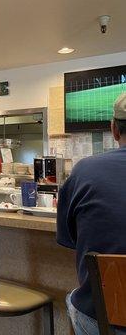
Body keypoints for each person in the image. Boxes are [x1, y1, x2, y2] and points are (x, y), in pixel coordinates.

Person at [57, 92, 126, 335]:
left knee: (74, 299)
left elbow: (71, 238)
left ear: (114, 130)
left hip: (100, 318)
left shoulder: (85, 170)